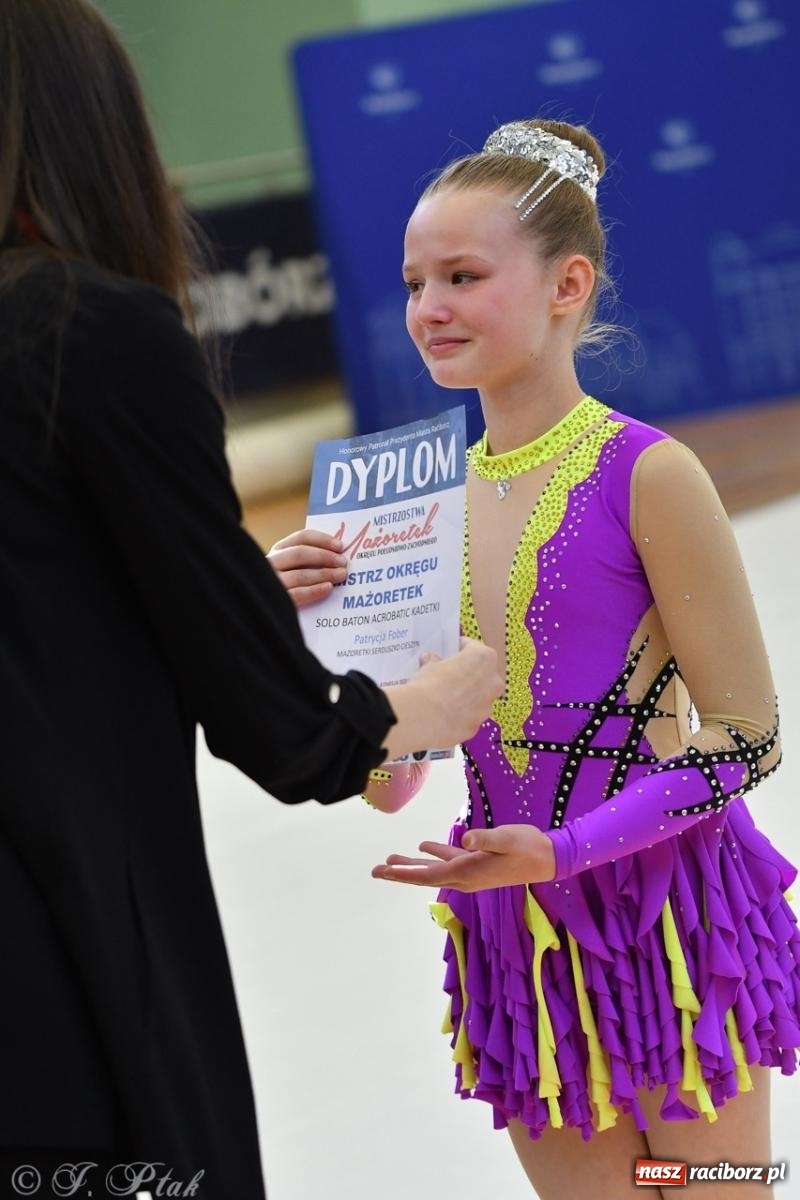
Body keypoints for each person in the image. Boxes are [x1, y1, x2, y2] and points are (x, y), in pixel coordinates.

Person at [0, 2, 502, 1195]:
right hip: (59, 963)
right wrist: (420, 704)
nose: (432, 308)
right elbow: (284, 732)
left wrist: (214, 603)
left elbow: (42, 611)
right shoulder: (87, 329)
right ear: (100, 131)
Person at [277, 118, 800, 1198]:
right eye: (416, 280)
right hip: (520, 940)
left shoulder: (646, 474)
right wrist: (318, 640)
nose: (428, 307)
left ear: (567, 284)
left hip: (674, 924)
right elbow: (391, 785)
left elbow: (747, 741)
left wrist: (565, 851)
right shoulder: (414, 512)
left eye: (462, 275)